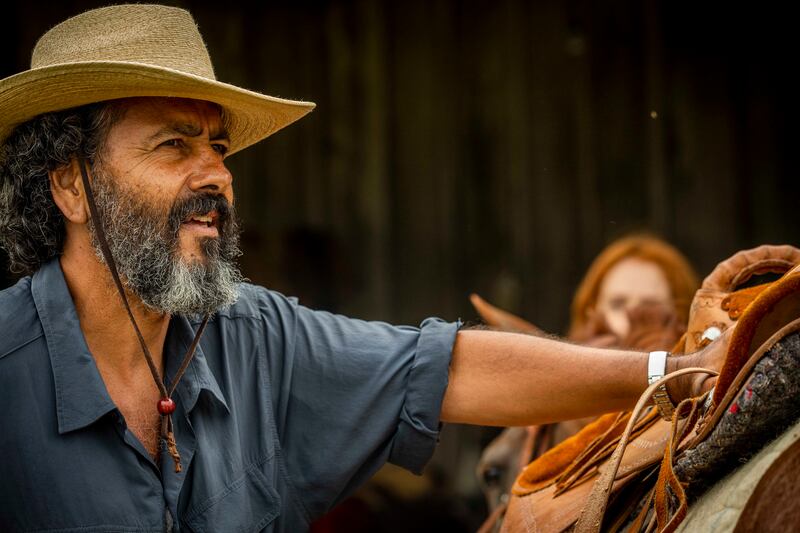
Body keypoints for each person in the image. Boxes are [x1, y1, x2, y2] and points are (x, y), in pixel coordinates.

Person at [0, 5, 727, 532]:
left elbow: (449, 367)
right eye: (173, 145)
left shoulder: (257, 335)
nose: (216, 174)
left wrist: (678, 369)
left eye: (218, 147)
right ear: (71, 185)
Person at [474, 235, 699, 511]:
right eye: (618, 304)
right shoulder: (553, 409)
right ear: (592, 311)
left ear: (680, 315)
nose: (633, 316)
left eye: (650, 306)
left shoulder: (699, 401)